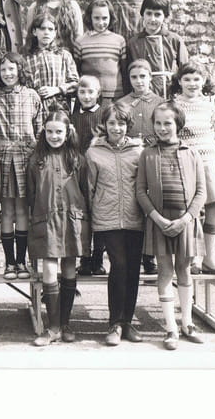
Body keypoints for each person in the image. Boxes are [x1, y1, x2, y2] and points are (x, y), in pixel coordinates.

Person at [136, 102, 207, 350]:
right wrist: (158, 218)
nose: (162, 128)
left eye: (168, 123)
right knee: (165, 271)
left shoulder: (192, 153)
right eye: (158, 123)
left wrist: (186, 219)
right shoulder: (147, 154)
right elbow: (141, 191)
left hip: (185, 222)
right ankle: (171, 328)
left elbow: (201, 192)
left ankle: (187, 323)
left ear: (178, 124)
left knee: (184, 270)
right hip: (160, 223)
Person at [27, 111, 90, 346]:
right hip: (46, 219)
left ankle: (65, 324)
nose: (54, 136)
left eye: (59, 132)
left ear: (68, 132)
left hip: (72, 220)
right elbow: (31, 194)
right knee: (49, 268)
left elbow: (85, 191)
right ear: (44, 132)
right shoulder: (36, 160)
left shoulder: (77, 159)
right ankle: (52, 328)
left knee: (70, 267)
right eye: (50, 131)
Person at [85, 103, 145, 346]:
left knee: (133, 269)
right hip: (106, 218)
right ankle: (114, 324)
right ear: (104, 124)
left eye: (121, 123)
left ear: (128, 125)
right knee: (118, 266)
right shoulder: (93, 152)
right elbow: (89, 188)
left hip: (134, 217)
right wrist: (91, 219)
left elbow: (143, 185)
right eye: (112, 123)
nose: (116, 128)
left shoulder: (138, 151)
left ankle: (127, 322)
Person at [0, 52, 42, 280]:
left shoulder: (32, 96)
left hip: (26, 158)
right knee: (6, 211)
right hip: (2, 159)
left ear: (20, 71)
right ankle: (9, 263)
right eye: (4, 69)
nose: (8, 73)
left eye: (12, 69)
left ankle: (21, 262)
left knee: (22, 210)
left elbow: (39, 130)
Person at [170, 63, 215, 278]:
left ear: (204, 81)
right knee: (191, 212)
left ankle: (210, 259)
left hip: (209, 162)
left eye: (196, 79)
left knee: (214, 208)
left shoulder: (210, 105)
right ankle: (190, 260)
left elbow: (212, 131)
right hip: (185, 163)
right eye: (187, 79)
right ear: (179, 81)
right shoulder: (173, 106)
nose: (192, 84)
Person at [117, 59, 163, 275]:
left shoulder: (161, 103)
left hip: (154, 158)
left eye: (143, 76)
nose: (139, 81)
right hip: (131, 159)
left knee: (152, 203)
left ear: (150, 77)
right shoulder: (123, 103)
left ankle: (150, 255)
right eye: (134, 77)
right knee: (134, 202)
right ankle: (133, 252)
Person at [71, 76, 106, 276]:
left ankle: (98, 259)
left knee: (98, 214)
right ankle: (85, 258)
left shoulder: (103, 114)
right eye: (82, 92)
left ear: (98, 93)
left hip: (98, 171)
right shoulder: (74, 116)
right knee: (83, 215)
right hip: (79, 171)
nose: (86, 96)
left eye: (90, 92)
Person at [124, 0, 188, 98]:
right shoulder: (133, 43)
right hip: (142, 95)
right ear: (142, 14)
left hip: (169, 93)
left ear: (165, 17)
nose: (152, 19)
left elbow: (185, 70)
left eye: (157, 15)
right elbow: (127, 75)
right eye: (148, 13)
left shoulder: (174, 40)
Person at [73, 0, 127, 105]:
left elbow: (124, 70)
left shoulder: (119, 40)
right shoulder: (80, 42)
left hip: (115, 96)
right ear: (90, 18)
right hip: (89, 97)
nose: (101, 22)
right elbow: (76, 72)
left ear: (110, 17)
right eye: (96, 18)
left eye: (104, 18)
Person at [24, 11, 79, 113]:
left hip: (59, 106)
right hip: (34, 107)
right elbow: (22, 85)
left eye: (50, 29)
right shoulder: (26, 57)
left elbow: (75, 83)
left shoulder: (64, 55)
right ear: (34, 32)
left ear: (55, 33)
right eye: (42, 28)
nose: (46, 32)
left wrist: (57, 89)